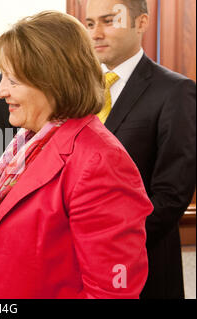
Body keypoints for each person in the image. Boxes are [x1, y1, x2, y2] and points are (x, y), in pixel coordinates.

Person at [0, 10, 153, 299]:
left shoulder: (100, 161)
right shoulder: (27, 143)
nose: (0, 91)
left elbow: (112, 293)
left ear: (52, 80)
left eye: (13, 80)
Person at [85, 0, 196, 299]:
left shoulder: (175, 91)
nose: (96, 33)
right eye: (90, 23)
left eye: (109, 21)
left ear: (141, 23)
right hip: (84, 268)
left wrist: (109, 244)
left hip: (143, 266)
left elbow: (171, 194)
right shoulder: (81, 92)